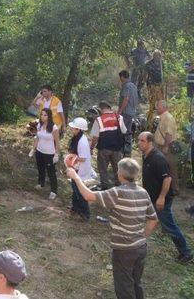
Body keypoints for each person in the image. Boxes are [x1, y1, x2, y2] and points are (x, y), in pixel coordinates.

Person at [67, 158, 158, 299]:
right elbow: (153, 219)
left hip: (124, 250)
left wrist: (75, 177)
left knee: (124, 288)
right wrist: (141, 237)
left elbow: (88, 196)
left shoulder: (117, 193)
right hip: (140, 247)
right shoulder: (143, 192)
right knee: (135, 283)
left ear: (120, 173)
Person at [139, 131, 193, 263]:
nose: (139, 143)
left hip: (162, 198)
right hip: (153, 196)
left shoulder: (158, 158)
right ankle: (141, 241)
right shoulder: (146, 155)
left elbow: (167, 179)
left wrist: (162, 197)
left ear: (150, 142)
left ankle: (186, 253)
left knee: (170, 225)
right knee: (154, 219)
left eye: (142, 141)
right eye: (139, 140)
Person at [90, 101, 127, 190]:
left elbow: (95, 137)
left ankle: (104, 185)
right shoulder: (119, 117)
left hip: (104, 148)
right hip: (117, 148)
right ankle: (119, 185)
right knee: (118, 168)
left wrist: (91, 147)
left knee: (102, 168)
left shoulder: (99, 120)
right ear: (110, 108)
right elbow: (124, 131)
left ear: (100, 109)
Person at [66, 117, 95, 221]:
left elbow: (82, 158)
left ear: (78, 129)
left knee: (80, 192)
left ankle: (85, 214)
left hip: (80, 170)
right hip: (77, 168)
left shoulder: (82, 142)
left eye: (73, 128)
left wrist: (71, 160)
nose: (71, 129)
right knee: (75, 189)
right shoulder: (78, 137)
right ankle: (75, 208)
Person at [30, 107, 59, 200]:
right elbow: (37, 138)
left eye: (45, 115)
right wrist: (33, 149)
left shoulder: (54, 128)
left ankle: (54, 191)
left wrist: (56, 154)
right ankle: (41, 183)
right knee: (40, 169)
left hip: (49, 153)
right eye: (42, 114)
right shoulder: (39, 125)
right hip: (39, 151)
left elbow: (57, 142)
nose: (43, 116)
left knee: (51, 172)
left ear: (49, 116)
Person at [154, 100, 180, 195]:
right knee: (163, 168)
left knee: (171, 168)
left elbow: (168, 134)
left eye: (159, 107)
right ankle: (166, 188)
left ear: (164, 107)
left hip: (166, 146)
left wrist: (166, 146)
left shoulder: (168, 117)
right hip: (160, 146)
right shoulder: (161, 117)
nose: (157, 108)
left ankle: (175, 189)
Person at [118, 70, 138, 157]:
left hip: (125, 113)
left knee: (123, 131)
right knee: (128, 132)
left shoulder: (126, 86)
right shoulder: (133, 86)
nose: (120, 79)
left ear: (122, 77)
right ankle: (128, 151)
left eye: (120, 78)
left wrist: (120, 111)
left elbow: (125, 99)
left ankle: (123, 151)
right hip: (132, 112)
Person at [145, 50, 163, 124]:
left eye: (159, 56)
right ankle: (149, 122)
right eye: (156, 55)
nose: (158, 57)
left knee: (161, 102)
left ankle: (161, 120)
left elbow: (162, 74)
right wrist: (148, 85)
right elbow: (145, 75)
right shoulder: (149, 64)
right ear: (154, 55)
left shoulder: (161, 63)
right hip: (152, 85)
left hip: (159, 85)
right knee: (152, 103)